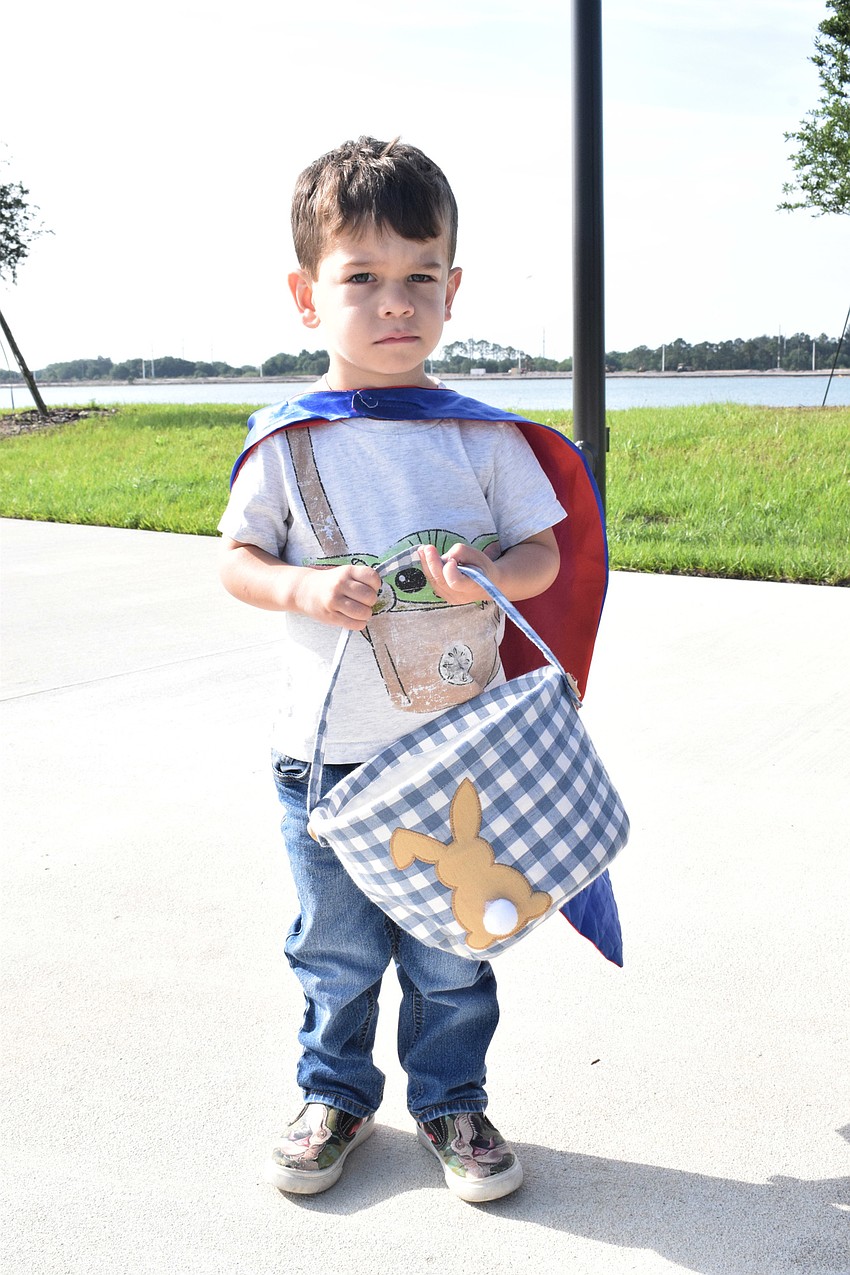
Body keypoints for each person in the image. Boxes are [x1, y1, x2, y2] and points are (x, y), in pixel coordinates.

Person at [218, 136, 598, 1203]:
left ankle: (449, 1100)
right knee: (333, 955)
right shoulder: (289, 444)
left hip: (457, 758)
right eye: (364, 279)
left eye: (419, 278)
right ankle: (334, 1094)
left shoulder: (479, 439)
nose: (397, 303)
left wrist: (493, 577)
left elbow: (543, 554)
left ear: (452, 290)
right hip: (327, 767)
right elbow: (238, 562)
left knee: (451, 960)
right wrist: (301, 587)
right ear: (308, 295)